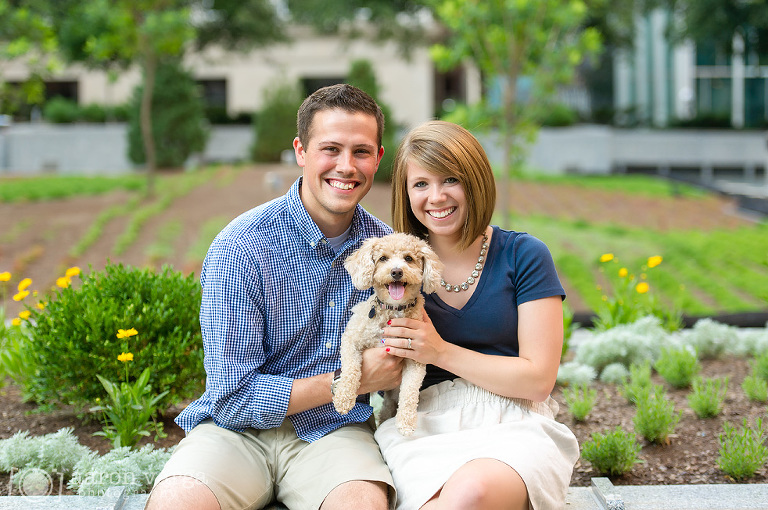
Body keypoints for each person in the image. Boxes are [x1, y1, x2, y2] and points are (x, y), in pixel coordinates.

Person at [146, 84, 401, 510]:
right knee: (177, 503)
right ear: (301, 151)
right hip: (233, 433)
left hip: (333, 433)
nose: (346, 166)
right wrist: (351, 379)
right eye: (331, 149)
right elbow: (231, 395)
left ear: (377, 158)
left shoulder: (387, 251)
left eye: (360, 151)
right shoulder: (241, 247)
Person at [376, 120, 580, 510]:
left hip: (515, 421)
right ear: (405, 193)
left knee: (470, 495)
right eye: (420, 184)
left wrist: (439, 351)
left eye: (450, 180)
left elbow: (538, 380)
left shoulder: (523, 255)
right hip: (422, 424)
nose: (435, 197)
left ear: (475, 181)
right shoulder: (395, 266)